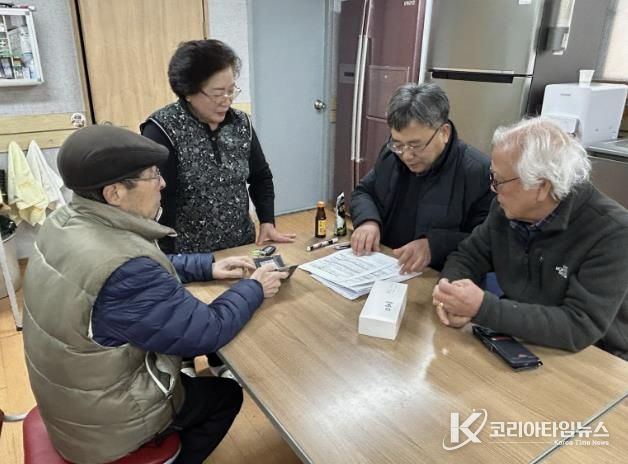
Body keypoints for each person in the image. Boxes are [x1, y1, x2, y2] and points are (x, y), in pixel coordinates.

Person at [22, 125, 288, 464]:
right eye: (153, 175)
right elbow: (206, 331)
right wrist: (255, 286)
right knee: (225, 395)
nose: (162, 184)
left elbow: (130, 266)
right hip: (107, 430)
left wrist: (207, 266)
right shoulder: (124, 270)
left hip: (75, 404)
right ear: (115, 193)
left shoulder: (65, 221)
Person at [432, 117, 628, 360]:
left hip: (593, 357)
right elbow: (468, 255)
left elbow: (579, 326)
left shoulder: (613, 232)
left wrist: (482, 308)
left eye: (499, 181)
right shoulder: (505, 210)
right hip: (517, 337)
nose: (493, 189)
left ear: (541, 187)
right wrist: (449, 293)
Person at [141, 39, 295, 255]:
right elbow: (159, 198)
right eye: (217, 93)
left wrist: (267, 221)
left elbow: (260, 177)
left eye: (231, 91)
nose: (226, 100)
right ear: (188, 92)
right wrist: (168, 257)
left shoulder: (241, 123)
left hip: (241, 246)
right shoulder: (162, 129)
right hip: (190, 256)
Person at [349, 82, 493, 273]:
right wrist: (368, 221)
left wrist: (434, 246)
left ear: (444, 133)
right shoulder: (391, 155)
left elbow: (489, 241)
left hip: (438, 276)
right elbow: (364, 192)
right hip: (384, 264)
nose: (407, 155)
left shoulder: (478, 171)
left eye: (416, 145)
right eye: (398, 144)